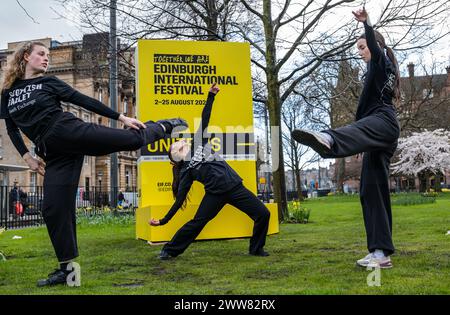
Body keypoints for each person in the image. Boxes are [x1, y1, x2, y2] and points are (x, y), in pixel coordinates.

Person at [0, 41, 188, 286]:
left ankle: (164, 125)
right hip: (54, 153)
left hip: (69, 131)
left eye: (48, 55)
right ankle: (68, 272)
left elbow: (83, 101)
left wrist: (121, 116)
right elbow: (11, 127)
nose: (47, 59)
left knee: (130, 140)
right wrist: (27, 156)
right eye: (41, 54)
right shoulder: (8, 92)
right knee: (54, 209)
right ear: (26, 56)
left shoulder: (48, 83)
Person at [291, 8, 400, 269]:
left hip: (382, 123)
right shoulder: (380, 71)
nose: (361, 51)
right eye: (359, 48)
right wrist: (363, 142)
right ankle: (380, 253)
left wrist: (367, 24)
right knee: (371, 193)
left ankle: (329, 140)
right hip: (378, 133)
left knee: (352, 133)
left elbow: (373, 44)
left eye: (362, 47)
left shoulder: (381, 61)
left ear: (375, 45)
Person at [149, 83, 271, 260]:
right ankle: (169, 251)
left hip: (235, 187)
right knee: (197, 223)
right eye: (176, 145)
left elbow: (205, 118)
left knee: (263, 214)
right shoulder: (185, 171)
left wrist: (211, 96)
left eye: (179, 142)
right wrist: (163, 221)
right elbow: (179, 200)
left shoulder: (199, 142)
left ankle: (256, 248)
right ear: (175, 156)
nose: (180, 142)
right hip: (215, 195)